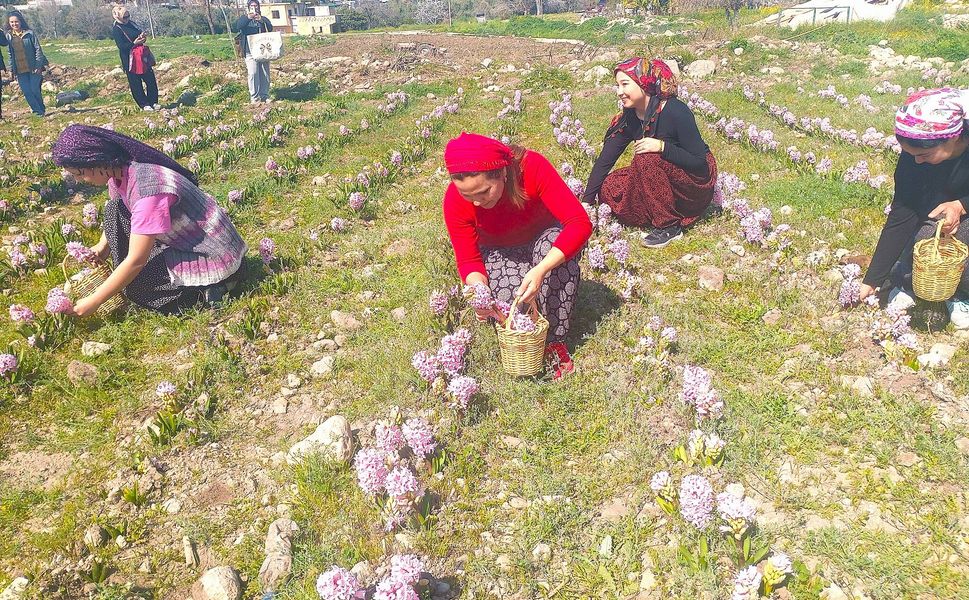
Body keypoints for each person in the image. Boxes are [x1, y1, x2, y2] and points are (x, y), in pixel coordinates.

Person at [51, 125, 248, 316]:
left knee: (137, 287)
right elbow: (120, 213)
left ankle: (212, 286)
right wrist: (102, 246)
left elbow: (136, 261)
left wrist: (94, 301)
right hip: (189, 241)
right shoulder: (121, 172)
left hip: (212, 253)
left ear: (96, 161)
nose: (79, 180)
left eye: (80, 173)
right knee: (114, 209)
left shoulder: (147, 191)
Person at [443, 133, 593, 379]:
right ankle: (528, 340)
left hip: (544, 239)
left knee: (554, 266)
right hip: (499, 252)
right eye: (467, 196)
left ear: (502, 173)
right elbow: (469, 260)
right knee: (510, 302)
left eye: (483, 192)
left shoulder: (531, 168)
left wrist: (541, 269)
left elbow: (579, 223)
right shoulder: (454, 201)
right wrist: (479, 291)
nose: (477, 203)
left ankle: (555, 339)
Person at [859, 88, 969, 329]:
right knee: (927, 237)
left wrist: (961, 205)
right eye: (910, 155)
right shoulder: (914, 156)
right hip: (939, 206)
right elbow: (903, 212)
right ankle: (907, 279)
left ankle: (961, 294)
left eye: (924, 155)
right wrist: (873, 279)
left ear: (953, 138)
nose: (917, 161)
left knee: (961, 239)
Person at [584, 57, 717, 248]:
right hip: (662, 177)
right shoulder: (630, 116)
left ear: (643, 83)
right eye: (617, 86)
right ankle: (657, 209)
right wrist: (586, 201)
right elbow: (606, 160)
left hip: (694, 183)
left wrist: (663, 147)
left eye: (625, 84)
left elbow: (699, 162)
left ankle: (669, 226)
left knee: (645, 158)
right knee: (609, 186)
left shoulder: (676, 111)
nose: (619, 92)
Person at [111, 5, 159, 111]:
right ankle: (144, 104)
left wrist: (142, 37)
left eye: (128, 16)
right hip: (130, 60)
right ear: (117, 17)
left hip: (141, 57)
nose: (127, 18)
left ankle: (153, 102)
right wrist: (134, 43)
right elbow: (122, 47)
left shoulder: (132, 24)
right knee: (135, 83)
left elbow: (138, 35)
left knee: (150, 79)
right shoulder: (117, 29)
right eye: (125, 17)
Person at [0, 11, 46, 117]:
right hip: (20, 70)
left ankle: (41, 109)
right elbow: (10, 55)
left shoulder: (29, 33)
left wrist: (38, 66)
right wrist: (11, 70)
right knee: (27, 92)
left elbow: (38, 50)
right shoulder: (8, 36)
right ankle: (37, 112)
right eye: (12, 22)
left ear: (21, 22)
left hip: (33, 67)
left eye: (16, 21)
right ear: (9, 23)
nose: (14, 24)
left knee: (34, 90)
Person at [234, 0, 273, 104]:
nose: (254, 8)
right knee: (253, 73)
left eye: (256, 6)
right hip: (249, 51)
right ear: (248, 7)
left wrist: (261, 21)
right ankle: (254, 97)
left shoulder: (263, 19)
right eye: (252, 6)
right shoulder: (244, 18)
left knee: (265, 73)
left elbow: (270, 28)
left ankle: (264, 96)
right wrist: (249, 17)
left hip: (263, 50)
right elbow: (238, 26)